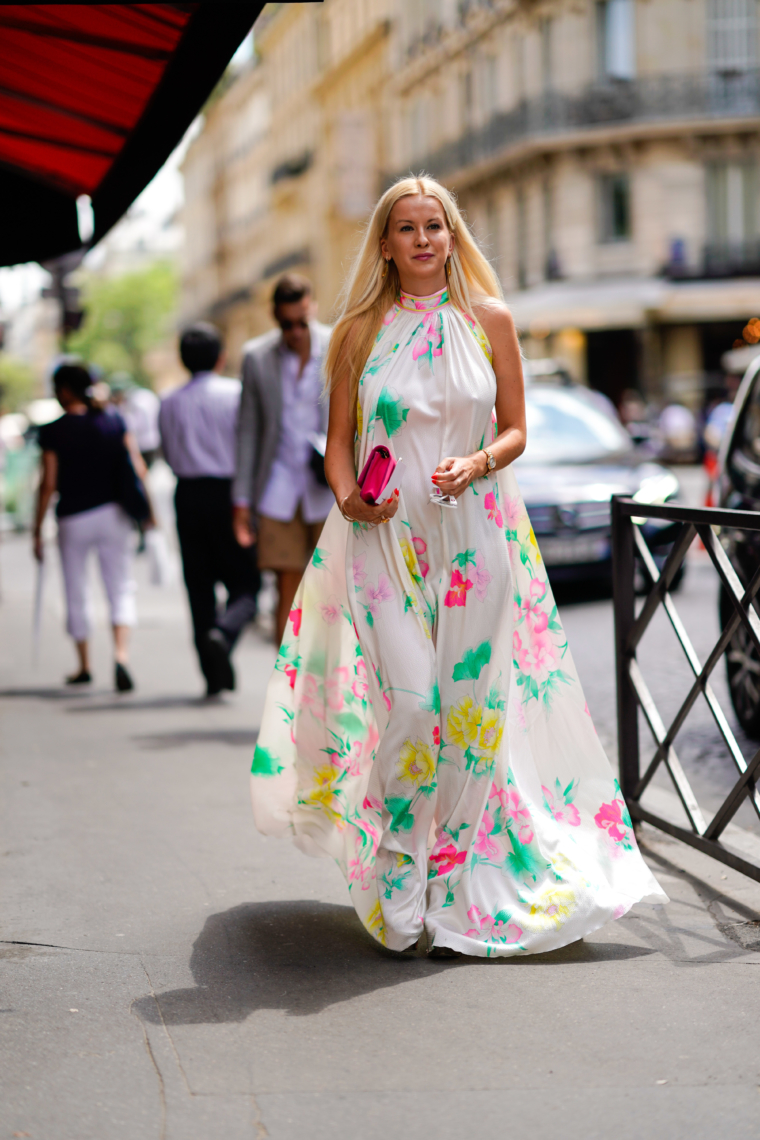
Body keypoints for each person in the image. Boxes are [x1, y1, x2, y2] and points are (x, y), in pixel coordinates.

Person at [249, 175, 666, 958]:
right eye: (405, 228)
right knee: (411, 706)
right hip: (384, 540)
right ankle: (398, 869)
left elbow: (516, 429)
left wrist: (476, 463)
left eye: (434, 225)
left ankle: (453, 882)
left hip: (476, 540)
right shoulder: (357, 332)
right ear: (384, 243)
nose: (421, 239)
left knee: (471, 720)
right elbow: (337, 442)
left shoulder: (489, 321)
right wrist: (347, 500)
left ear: (451, 235)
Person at [159, 323, 260, 697]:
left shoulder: (168, 401)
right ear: (221, 357)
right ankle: (226, 633)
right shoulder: (235, 394)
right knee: (246, 583)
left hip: (188, 495)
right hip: (231, 495)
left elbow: (168, 453)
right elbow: (248, 444)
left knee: (198, 587)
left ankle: (212, 676)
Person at [33, 361, 146, 691]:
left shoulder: (53, 430)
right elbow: (137, 468)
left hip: (73, 518)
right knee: (120, 586)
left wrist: (37, 530)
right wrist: (148, 512)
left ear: (65, 391)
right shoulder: (113, 420)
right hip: (114, 514)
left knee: (76, 589)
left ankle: (84, 664)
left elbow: (48, 483)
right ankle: (121, 655)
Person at [233, 274, 333, 645]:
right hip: (277, 486)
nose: (294, 332)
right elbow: (247, 430)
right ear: (274, 317)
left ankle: (327, 679)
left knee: (332, 587)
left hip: (330, 487)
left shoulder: (339, 344)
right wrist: (242, 498)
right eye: (286, 324)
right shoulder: (257, 357)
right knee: (286, 587)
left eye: (301, 322)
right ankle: (285, 685)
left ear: (313, 308)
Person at [109, 373, 161, 468]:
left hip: (143, 443)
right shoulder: (146, 394)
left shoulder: (134, 400)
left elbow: (134, 425)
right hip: (155, 440)